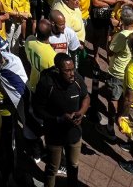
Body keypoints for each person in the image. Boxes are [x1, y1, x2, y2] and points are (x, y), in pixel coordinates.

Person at [32, 52, 89, 187]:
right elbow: (38, 109)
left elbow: (86, 97)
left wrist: (81, 112)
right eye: (67, 71)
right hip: (54, 135)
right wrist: (58, 119)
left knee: (73, 165)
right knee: (52, 168)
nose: (71, 74)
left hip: (74, 133)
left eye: (73, 69)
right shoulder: (47, 84)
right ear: (57, 70)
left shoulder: (77, 80)